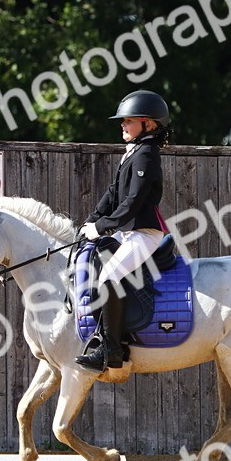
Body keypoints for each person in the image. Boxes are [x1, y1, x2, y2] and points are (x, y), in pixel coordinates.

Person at [74, 90, 171, 372]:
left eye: (129, 121)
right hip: (128, 231)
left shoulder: (147, 155)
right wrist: (90, 221)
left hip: (144, 232)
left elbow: (132, 203)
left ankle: (112, 350)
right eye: (123, 121)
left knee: (109, 276)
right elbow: (114, 193)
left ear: (149, 124)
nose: (123, 125)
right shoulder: (133, 152)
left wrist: (102, 226)